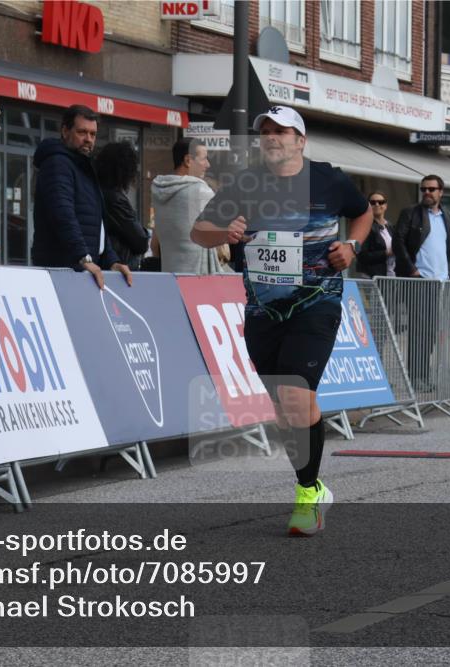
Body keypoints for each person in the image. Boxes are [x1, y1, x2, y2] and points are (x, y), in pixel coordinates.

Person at [191, 106, 371, 536]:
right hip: (262, 309)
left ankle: (307, 494)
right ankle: (313, 484)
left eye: (281, 131)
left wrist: (352, 245)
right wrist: (224, 232)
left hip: (317, 301)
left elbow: (362, 213)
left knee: (295, 396)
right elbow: (200, 231)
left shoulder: (328, 178)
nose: (271, 137)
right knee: (285, 410)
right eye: (265, 131)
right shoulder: (244, 184)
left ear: (301, 140)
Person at [32, 104, 132, 289]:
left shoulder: (83, 167)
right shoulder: (57, 163)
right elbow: (63, 214)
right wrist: (83, 257)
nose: (88, 139)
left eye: (93, 134)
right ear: (65, 131)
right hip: (63, 273)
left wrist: (111, 261)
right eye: (82, 132)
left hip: (81, 271)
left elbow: (97, 224)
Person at [391, 175, 450, 392]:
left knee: (430, 332)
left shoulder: (447, 216)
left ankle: (424, 374)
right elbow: (398, 242)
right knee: (418, 330)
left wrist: (449, 273)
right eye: (424, 189)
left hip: (439, 282)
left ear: (441, 192)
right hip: (418, 281)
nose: (427, 193)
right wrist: (412, 270)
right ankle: (414, 377)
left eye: (431, 189)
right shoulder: (411, 213)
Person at [151, 138, 224, 274]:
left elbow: (154, 244)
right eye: (204, 159)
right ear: (188, 160)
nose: (207, 164)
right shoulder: (200, 191)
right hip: (197, 278)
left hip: (169, 274)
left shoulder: (158, 190)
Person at [96, 141, 148, 270]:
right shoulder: (115, 199)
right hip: (120, 266)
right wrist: (145, 232)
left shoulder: (97, 191)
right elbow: (141, 242)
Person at [355, 191, 395, 278]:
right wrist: (387, 252)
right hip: (371, 277)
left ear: (385, 206)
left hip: (390, 275)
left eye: (381, 202)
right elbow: (361, 255)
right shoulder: (363, 225)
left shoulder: (390, 226)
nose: (377, 204)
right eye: (373, 202)